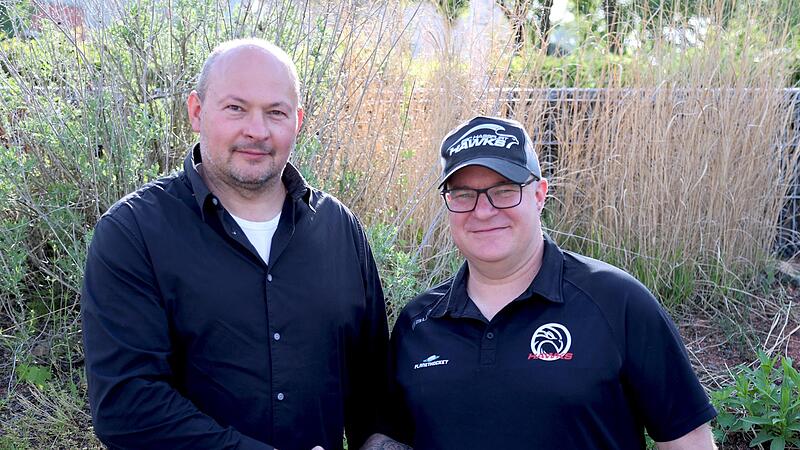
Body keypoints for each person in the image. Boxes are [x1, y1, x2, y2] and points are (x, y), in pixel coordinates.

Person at [81, 39, 388, 450]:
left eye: (275, 112)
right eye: (235, 108)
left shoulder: (339, 229)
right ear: (196, 111)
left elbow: (373, 385)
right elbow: (128, 407)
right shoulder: (133, 233)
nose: (257, 130)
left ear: (297, 121)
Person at [364, 116, 717, 449]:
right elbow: (390, 437)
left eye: (504, 190)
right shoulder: (418, 323)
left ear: (538, 194)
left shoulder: (617, 302)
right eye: (463, 194)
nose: (483, 211)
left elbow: (687, 441)